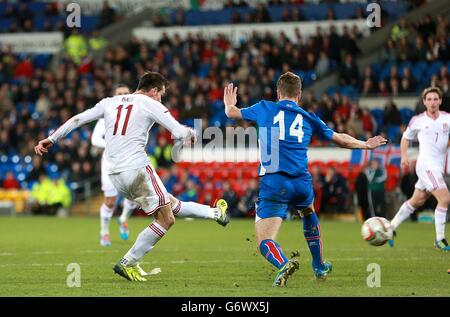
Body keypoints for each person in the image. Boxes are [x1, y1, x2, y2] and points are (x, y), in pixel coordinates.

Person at [35, 71, 230, 282]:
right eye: (161, 94)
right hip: (136, 168)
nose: (161, 99)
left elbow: (78, 119)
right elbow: (180, 132)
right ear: (154, 90)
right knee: (167, 219)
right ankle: (128, 262)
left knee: (172, 205)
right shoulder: (149, 103)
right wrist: (193, 134)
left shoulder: (109, 102)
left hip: (115, 174)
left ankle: (215, 213)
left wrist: (51, 139)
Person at [223, 72, 387, 286]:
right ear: (299, 95)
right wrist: (365, 144)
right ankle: (319, 266)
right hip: (302, 182)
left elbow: (232, 113)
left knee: (264, 241)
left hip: (274, 181)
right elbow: (340, 139)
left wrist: (229, 104)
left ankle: (283, 263)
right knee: (308, 212)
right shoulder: (309, 117)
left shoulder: (265, 107)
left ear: (278, 92)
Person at [389, 87, 450, 251]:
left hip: (437, 167)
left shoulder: (447, 118)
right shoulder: (418, 120)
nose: (432, 102)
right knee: (444, 198)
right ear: (424, 102)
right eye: (429, 99)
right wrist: (404, 157)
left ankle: (390, 228)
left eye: (435, 99)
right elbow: (405, 138)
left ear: (440, 101)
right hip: (426, 166)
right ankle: (440, 239)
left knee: (416, 201)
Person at [91, 84, 139, 246]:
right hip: (110, 161)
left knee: (134, 195)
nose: (123, 96)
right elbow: (95, 139)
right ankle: (104, 232)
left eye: (126, 93)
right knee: (110, 200)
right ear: (114, 96)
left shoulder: (136, 114)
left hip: (130, 159)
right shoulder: (106, 115)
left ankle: (123, 218)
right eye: (119, 94)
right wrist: (111, 145)